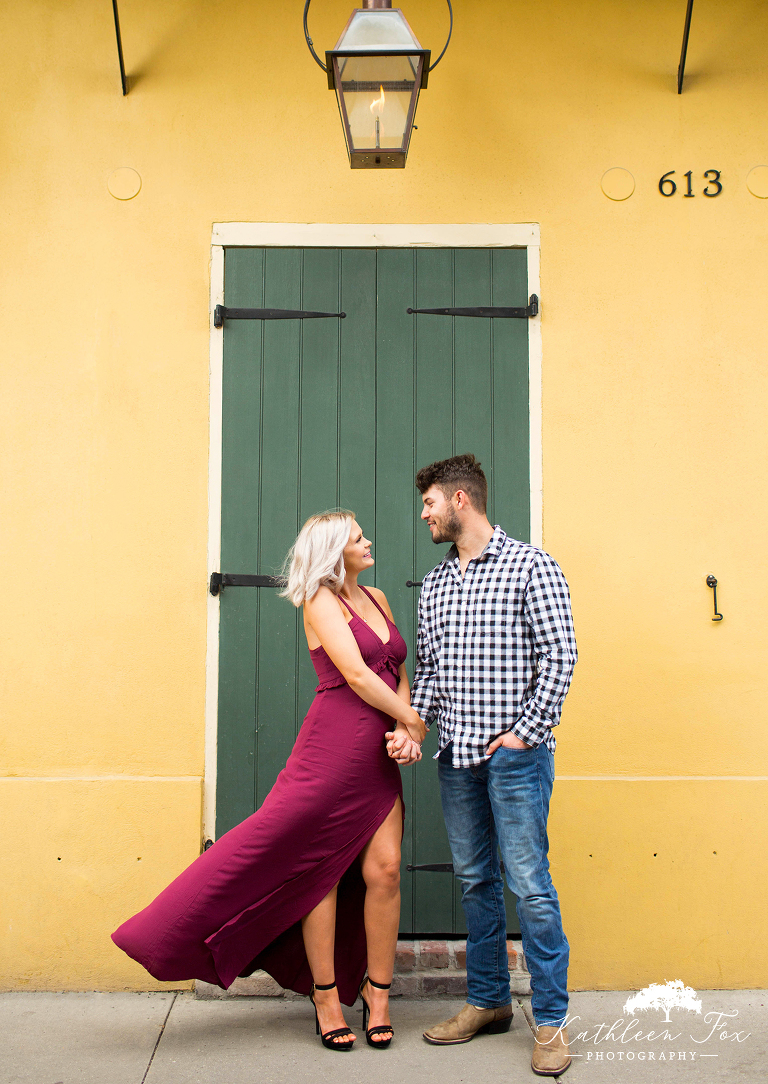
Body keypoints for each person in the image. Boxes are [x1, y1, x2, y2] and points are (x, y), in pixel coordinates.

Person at [112, 511, 425, 1051]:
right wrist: (417, 721)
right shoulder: (320, 600)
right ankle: (326, 998)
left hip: (378, 757)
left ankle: (378, 995)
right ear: (333, 549)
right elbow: (354, 674)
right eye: (357, 537)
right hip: (331, 754)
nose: (368, 540)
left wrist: (403, 726)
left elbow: (395, 668)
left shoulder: (377, 597)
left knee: (387, 871)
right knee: (317, 876)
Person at [387, 455, 577, 1076]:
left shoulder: (531, 566)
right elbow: (434, 677)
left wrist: (524, 734)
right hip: (456, 758)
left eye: (430, 503)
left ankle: (549, 1022)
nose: (425, 514)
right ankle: (489, 1001)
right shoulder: (437, 584)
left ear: (462, 499)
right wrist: (412, 728)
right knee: (475, 882)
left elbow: (561, 656)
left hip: (515, 760)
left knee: (530, 887)